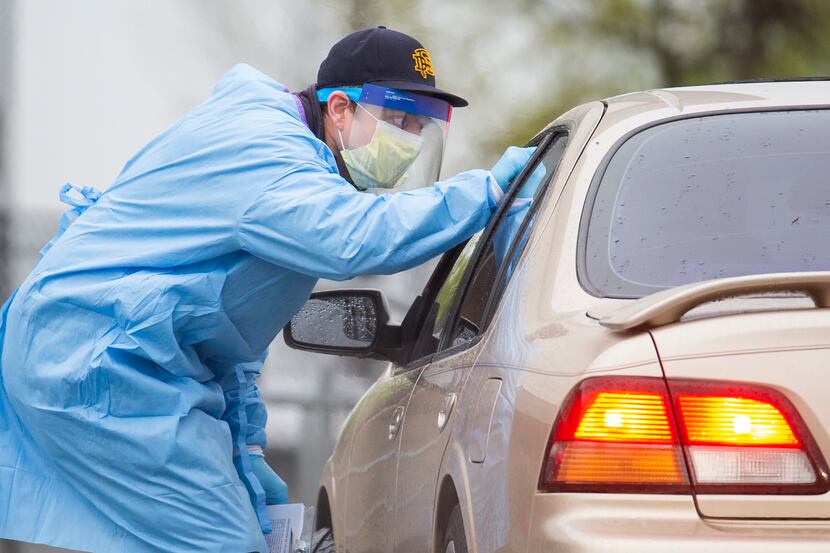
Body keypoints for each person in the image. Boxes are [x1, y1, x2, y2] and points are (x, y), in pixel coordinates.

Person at [0, 26, 534, 552]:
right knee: (220, 542)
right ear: (341, 108)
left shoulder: (291, 158)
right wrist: (484, 193)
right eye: (397, 120)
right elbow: (356, 238)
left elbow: (230, 334)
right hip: (94, 357)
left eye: (419, 128)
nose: (409, 144)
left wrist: (248, 445)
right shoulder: (270, 157)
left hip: (116, 353)